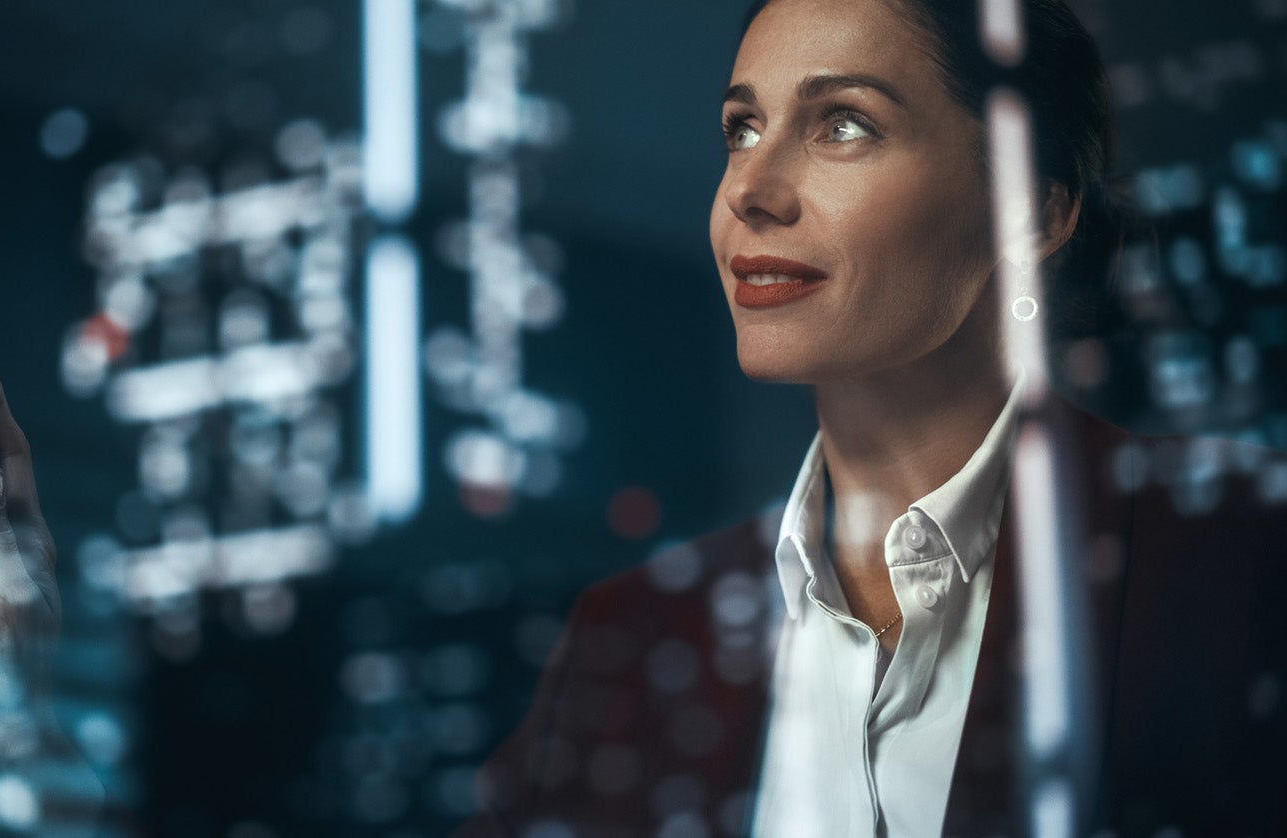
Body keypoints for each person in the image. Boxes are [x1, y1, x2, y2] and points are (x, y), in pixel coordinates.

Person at [455, 0, 1287, 835]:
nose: (750, 189)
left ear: (1029, 209)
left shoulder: (1242, 558)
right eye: (742, 130)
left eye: (843, 125)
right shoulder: (627, 640)